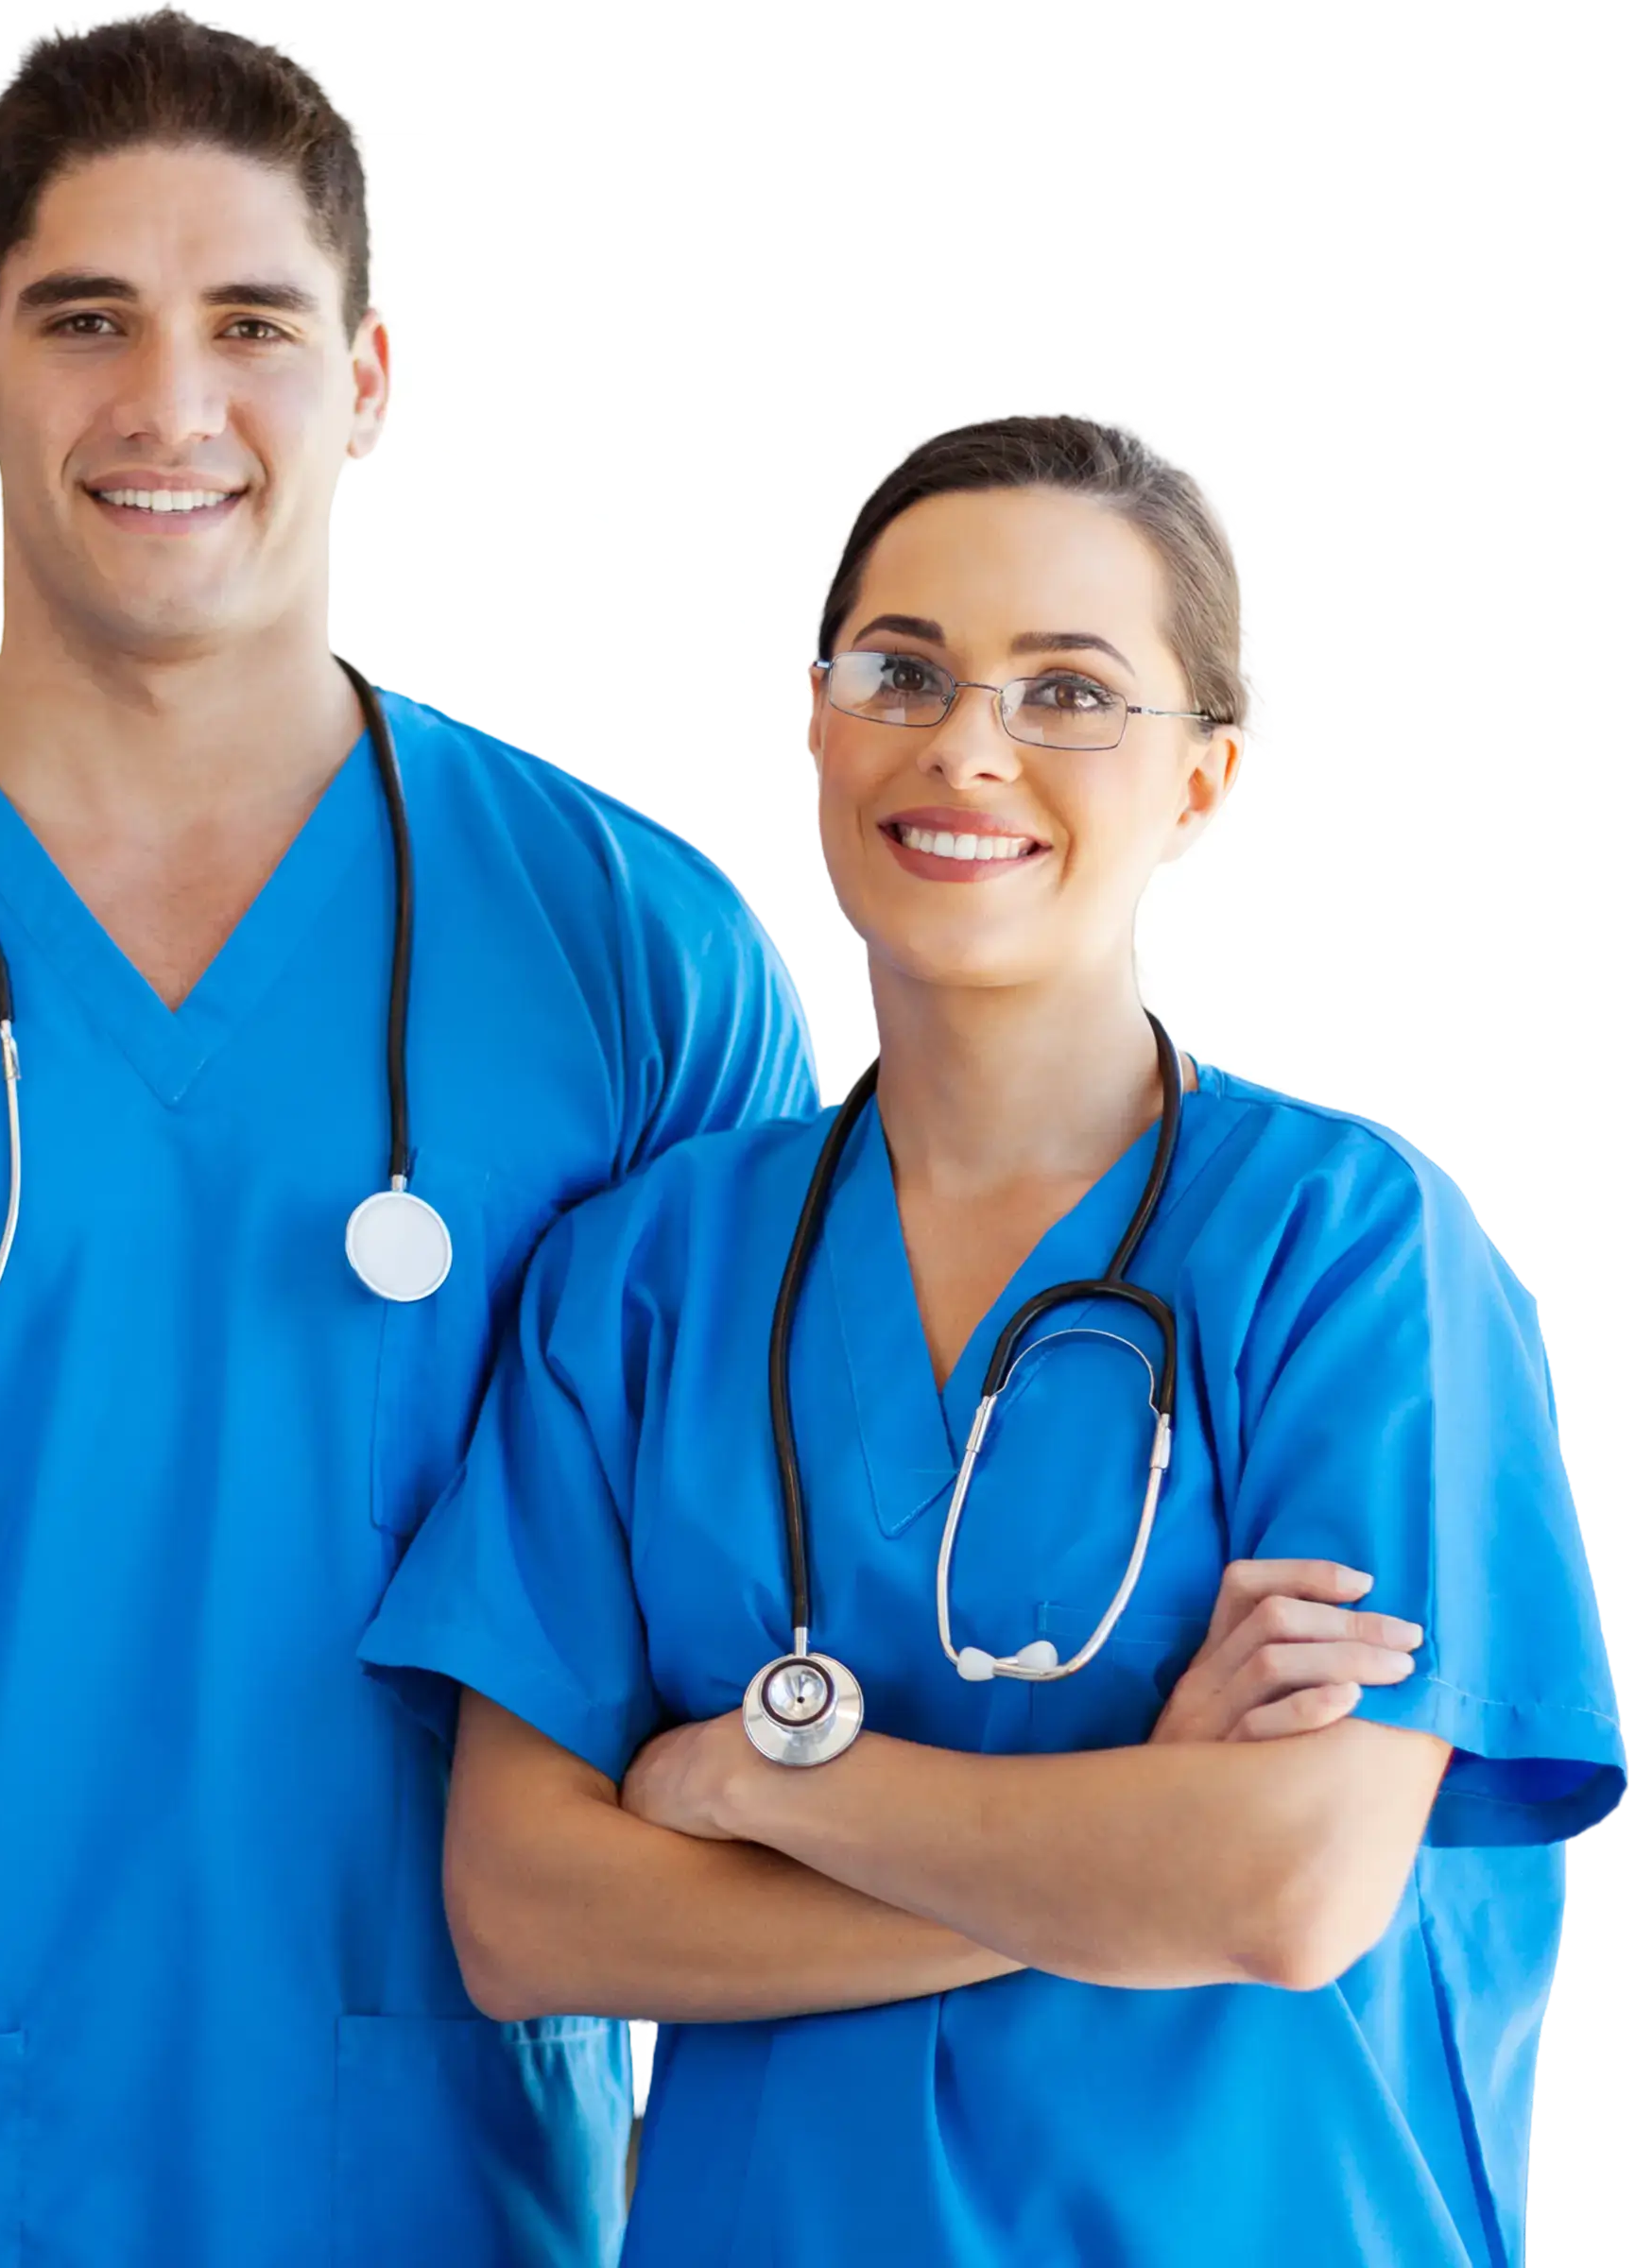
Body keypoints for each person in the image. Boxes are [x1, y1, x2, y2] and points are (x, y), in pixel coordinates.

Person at [0, 11, 817, 2261]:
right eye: (84, 319)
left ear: (370, 379)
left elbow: (756, 1596)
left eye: (251, 328)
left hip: (453, 2176)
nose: (169, 407)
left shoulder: (632, 957)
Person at [358, 410, 1626, 2266]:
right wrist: (1122, 1852)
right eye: (904, 670)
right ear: (814, 716)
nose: (963, 745)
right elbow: (523, 1913)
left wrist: (765, 1778)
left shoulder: (1346, 1255)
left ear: (1202, 776)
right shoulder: (643, 1278)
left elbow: (1286, 1886)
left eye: (1067, 692)